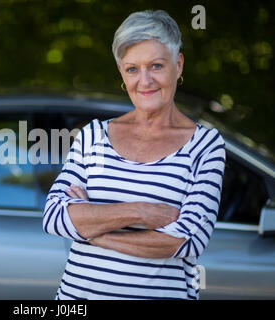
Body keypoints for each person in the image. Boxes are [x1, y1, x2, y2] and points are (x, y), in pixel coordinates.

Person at [43, 10, 226, 300]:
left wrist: (93, 230)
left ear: (178, 65)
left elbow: (186, 240)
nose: (145, 81)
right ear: (121, 73)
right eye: (132, 69)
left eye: (156, 65)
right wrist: (141, 211)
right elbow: (54, 217)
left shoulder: (205, 145)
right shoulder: (93, 135)